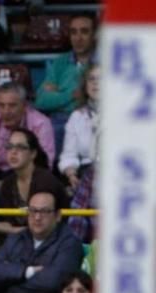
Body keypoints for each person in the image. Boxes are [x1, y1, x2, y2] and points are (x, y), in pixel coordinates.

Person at [0, 128, 66, 249]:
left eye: (20, 147)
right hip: (21, 243)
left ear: (33, 154)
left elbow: (42, 229)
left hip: (52, 243)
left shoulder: (46, 181)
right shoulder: (8, 183)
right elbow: (9, 224)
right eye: (10, 147)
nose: (13, 152)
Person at [35, 12, 97, 149]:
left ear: (95, 35)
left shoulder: (106, 61)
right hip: (61, 120)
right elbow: (41, 101)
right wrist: (71, 95)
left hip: (94, 118)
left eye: (84, 32)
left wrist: (58, 94)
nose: (78, 38)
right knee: (47, 131)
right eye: (73, 32)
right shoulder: (59, 63)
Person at [0, 82, 55, 177]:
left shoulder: (41, 124)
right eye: (1, 105)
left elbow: (45, 164)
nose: (6, 111)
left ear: (24, 106)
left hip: (31, 176)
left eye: (12, 105)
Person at [58, 64, 100, 241]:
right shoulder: (77, 116)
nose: (96, 84)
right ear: (85, 85)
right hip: (84, 174)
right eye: (92, 79)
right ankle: (77, 249)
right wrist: (71, 173)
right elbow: (69, 154)